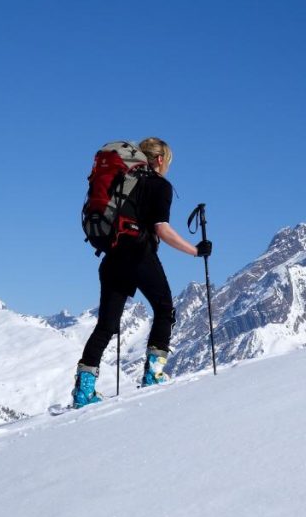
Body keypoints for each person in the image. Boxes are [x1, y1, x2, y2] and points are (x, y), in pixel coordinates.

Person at [72, 137, 213, 408]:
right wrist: (195, 251)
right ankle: (153, 374)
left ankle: (83, 390)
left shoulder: (123, 183)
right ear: (160, 160)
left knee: (106, 325)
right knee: (164, 308)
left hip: (112, 256)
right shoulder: (158, 185)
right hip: (138, 254)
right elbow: (161, 229)